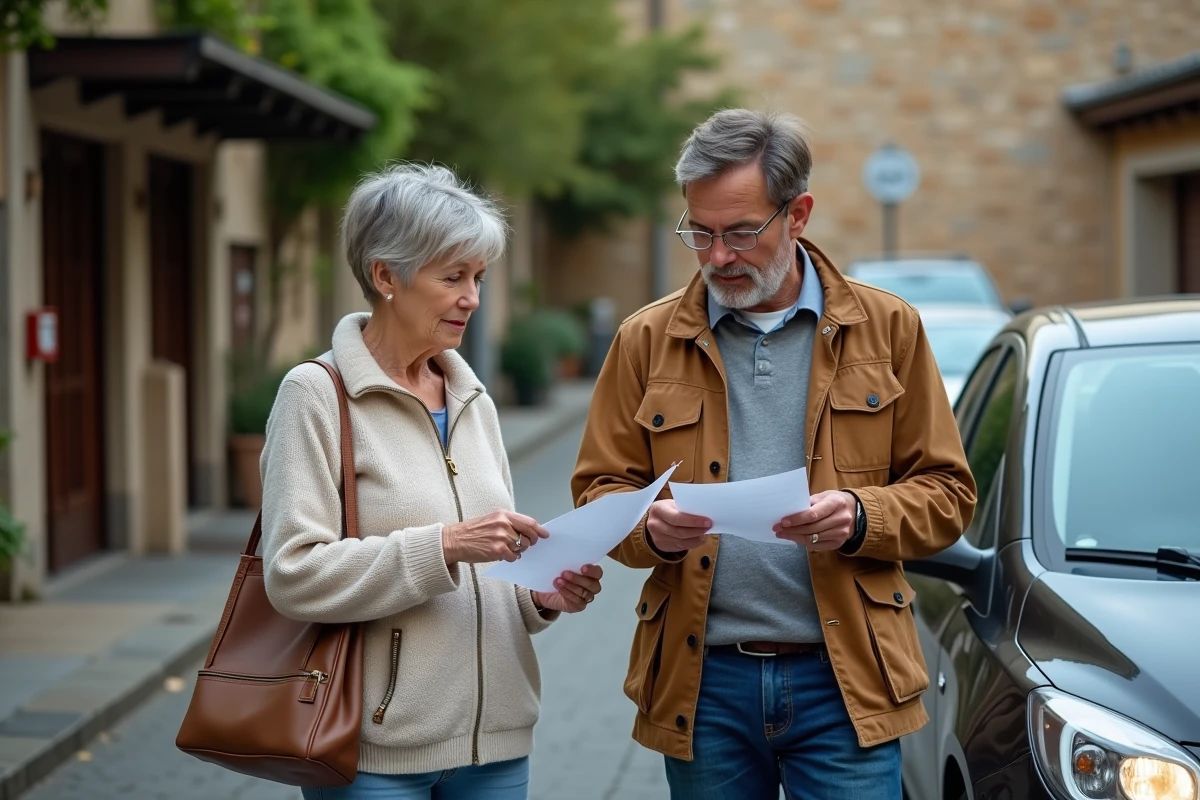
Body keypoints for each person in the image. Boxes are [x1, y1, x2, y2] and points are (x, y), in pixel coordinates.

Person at [571, 109, 976, 799]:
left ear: (799, 214)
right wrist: (648, 529)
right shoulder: (644, 340)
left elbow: (948, 494)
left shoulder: (890, 329)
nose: (718, 256)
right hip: (703, 686)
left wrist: (859, 515)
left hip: (847, 682)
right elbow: (598, 492)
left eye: (739, 233)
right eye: (699, 233)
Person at [261, 163, 603, 800]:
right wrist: (443, 544)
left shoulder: (475, 398)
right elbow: (293, 574)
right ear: (385, 276)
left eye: (477, 277)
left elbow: (487, 569)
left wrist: (541, 595)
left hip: (498, 747)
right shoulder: (315, 394)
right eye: (453, 277)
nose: (473, 297)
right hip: (374, 759)